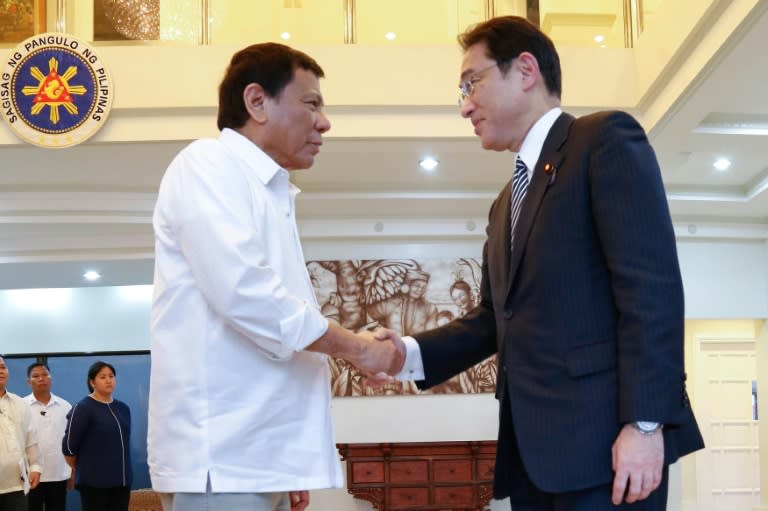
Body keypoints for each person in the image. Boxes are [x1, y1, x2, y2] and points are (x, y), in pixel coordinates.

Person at [376, 16, 704, 511]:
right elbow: (493, 319)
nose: (465, 104)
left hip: (609, 454)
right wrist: (406, 353)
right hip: (532, 458)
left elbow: (651, 291)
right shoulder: (505, 203)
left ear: (525, 70)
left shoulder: (603, 140)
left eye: (472, 82)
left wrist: (644, 424)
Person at [148, 42, 401, 511]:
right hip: (224, 460)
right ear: (257, 102)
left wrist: (289, 460)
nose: (323, 122)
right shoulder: (208, 163)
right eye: (311, 103)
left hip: (259, 458)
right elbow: (248, 296)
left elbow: (278, 320)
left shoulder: (271, 190)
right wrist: (359, 349)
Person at [62, 361, 131, 511]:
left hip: (121, 481)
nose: (108, 380)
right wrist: (84, 467)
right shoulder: (83, 408)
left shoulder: (123, 408)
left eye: (111, 376)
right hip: (94, 483)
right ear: (92, 382)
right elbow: (68, 447)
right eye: (102, 377)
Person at [25, 363, 72, 511]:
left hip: (58, 473)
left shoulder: (65, 406)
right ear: (29, 382)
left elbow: (71, 442)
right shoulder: (21, 406)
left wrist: (72, 471)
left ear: (51, 379)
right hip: (30, 474)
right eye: (36, 376)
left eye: (45, 375)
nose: (41, 379)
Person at [0, 357, 42, 511]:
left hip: (17, 486)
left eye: (3, 367)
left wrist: (36, 466)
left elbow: (31, 440)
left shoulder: (20, 403)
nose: (1, 371)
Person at [368, 269, 439, 335]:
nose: (420, 289)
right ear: (406, 286)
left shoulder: (430, 308)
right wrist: (379, 331)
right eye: (417, 286)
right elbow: (369, 315)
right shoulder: (390, 304)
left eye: (424, 287)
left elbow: (431, 331)